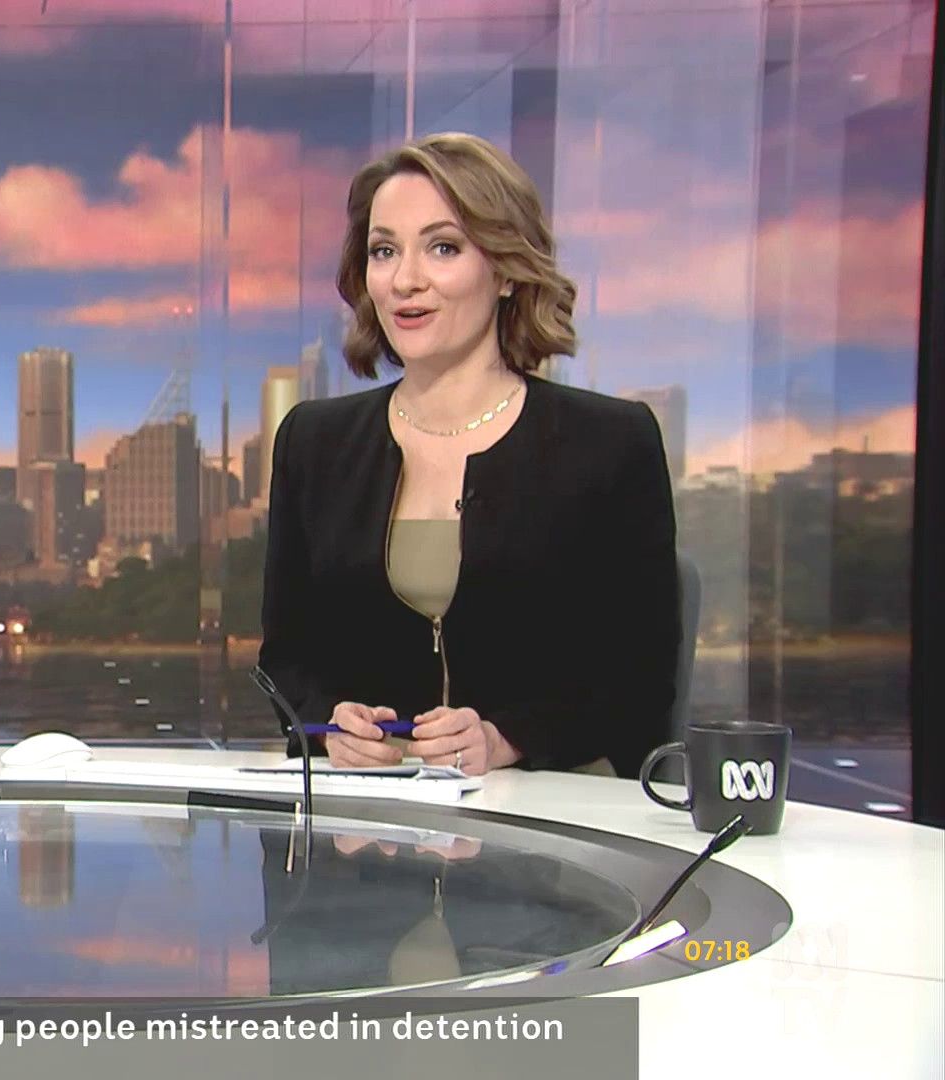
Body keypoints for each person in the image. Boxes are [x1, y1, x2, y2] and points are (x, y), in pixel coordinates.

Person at [257, 133, 679, 777]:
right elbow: (285, 661)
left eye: (443, 247)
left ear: (506, 270)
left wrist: (506, 739)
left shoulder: (609, 443)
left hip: (549, 810)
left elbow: (638, 679)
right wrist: (327, 726)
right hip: (369, 813)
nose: (405, 280)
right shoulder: (314, 443)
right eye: (384, 251)